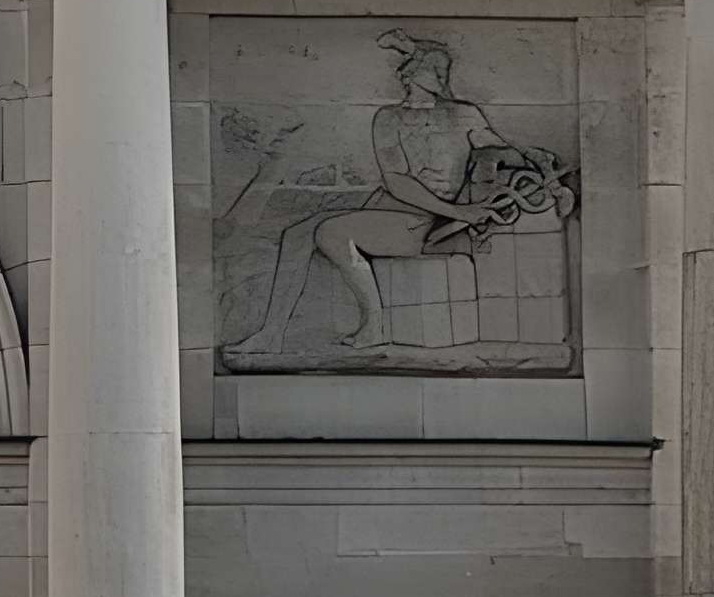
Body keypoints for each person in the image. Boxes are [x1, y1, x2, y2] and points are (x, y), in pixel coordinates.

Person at [231, 30, 574, 354]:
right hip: (392, 208)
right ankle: (271, 333)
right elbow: (397, 180)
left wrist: (541, 166)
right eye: (435, 68)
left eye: (444, 69)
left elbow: (507, 150)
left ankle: (374, 326)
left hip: (422, 221)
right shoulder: (388, 119)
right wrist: (463, 211)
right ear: (412, 72)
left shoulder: (463, 116)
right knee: (296, 233)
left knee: (331, 232)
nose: (442, 76)